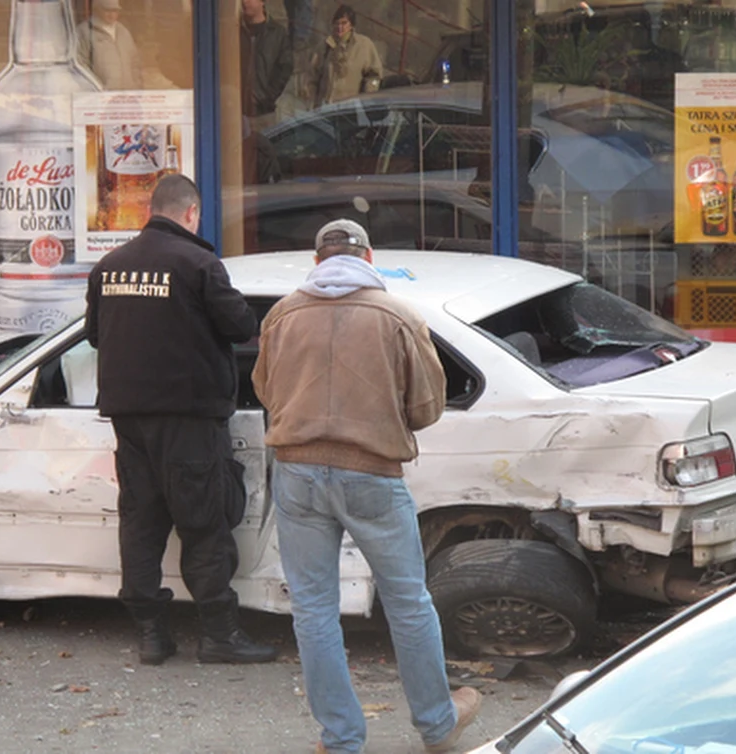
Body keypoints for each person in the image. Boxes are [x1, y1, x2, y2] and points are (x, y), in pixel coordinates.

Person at [252, 219, 482, 754]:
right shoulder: (398, 316)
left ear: (316, 262)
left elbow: (265, 390)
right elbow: (426, 409)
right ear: (369, 258)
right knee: (407, 601)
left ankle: (341, 740)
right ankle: (437, 725)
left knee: (312, 608)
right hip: (372, 475)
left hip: (298, 472)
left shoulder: (282, 314)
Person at [84, 174, 278, 667]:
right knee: (205, 524)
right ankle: (219, 634)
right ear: (192, 213)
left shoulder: (110, 266)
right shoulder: (198, 264)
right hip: (189, 418)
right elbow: (242, 327)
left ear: (154, 210)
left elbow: (94, 335)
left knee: (141, 522)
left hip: (128, 418)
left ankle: (151, 635)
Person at [308, 5, 383, 107]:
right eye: (337, 23)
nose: (340, 27)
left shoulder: (364, 46)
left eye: (344, 23)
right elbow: (312, 77)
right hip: (325, 109)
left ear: (351, 25)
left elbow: (374, 75)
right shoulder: (325, 46)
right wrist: (312, 103)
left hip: (349, 110)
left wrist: (368, 97)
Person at [240, 0, 293, 132]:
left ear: (262, 2)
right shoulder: (235, 31)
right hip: (237, 113)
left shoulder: (277, 33)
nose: (244, 2)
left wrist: (268, 97)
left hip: (264, 114)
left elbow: (284, 69)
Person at [77, 0, 142, 90]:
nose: (112, 15)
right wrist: (95, 89)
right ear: (98, 10)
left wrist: (136, 85)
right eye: (107, 10)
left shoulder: (123, 31)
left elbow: (135, 62)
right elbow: (80, 65)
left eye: (115, 11)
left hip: (128, 96)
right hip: (101, 97)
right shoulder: (85, 31)